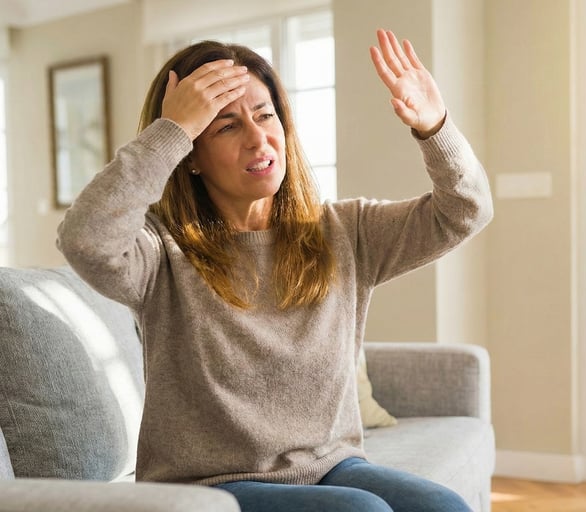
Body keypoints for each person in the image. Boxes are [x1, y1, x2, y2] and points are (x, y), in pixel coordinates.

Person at [57, 28, 493, 512]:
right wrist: (170, 131)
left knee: (441, 505)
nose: (257, 137)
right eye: (225, 126)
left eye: (265, 115)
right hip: (206, 483)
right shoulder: (161, 251)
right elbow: (85, 239)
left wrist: (436, 128)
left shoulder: (344, 231)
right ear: (191, 157)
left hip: (332, 466)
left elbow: (465, 210)